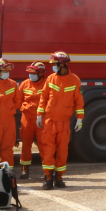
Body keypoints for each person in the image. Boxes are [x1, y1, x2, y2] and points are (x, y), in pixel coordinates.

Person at [36, 51, 83, 189]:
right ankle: (48, 177)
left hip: (64, 121)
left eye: (55, 64)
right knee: (48, 149)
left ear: (62, 65)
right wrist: (39, 114)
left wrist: (80, 119)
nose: (53, 67)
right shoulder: (50, 79)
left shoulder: (74, 80)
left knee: (62, 150)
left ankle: (59, 177)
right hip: (49, 121)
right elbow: (43, 97)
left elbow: (79, 102)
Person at [18, 61, 47, 178]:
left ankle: (47, 171)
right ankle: (25, 169)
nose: (31, 75)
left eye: (33, 73)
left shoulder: (47, 84)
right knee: (26, 144)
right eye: (30, 73)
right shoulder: (24, 84)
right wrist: (25, 108)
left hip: (41, 118)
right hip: (27, 118)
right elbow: (18, 100)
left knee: (43, 145)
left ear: (40, 73)